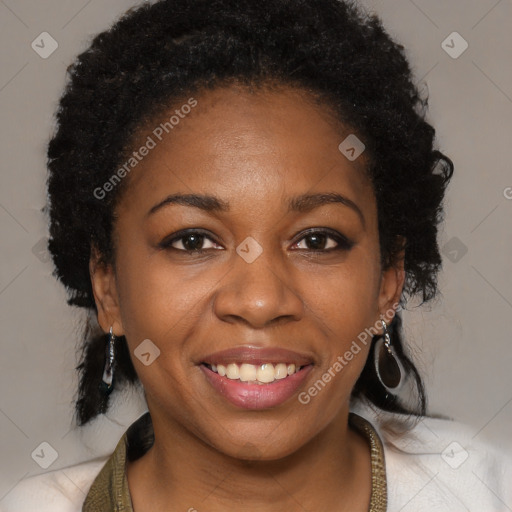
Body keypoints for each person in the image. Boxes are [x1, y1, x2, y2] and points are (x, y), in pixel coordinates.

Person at [2, 0, 511, 510]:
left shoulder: (487, 491)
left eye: (317, 240)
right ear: (107, 286)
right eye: (193, 241)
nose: (261, 301)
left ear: (388, 280)